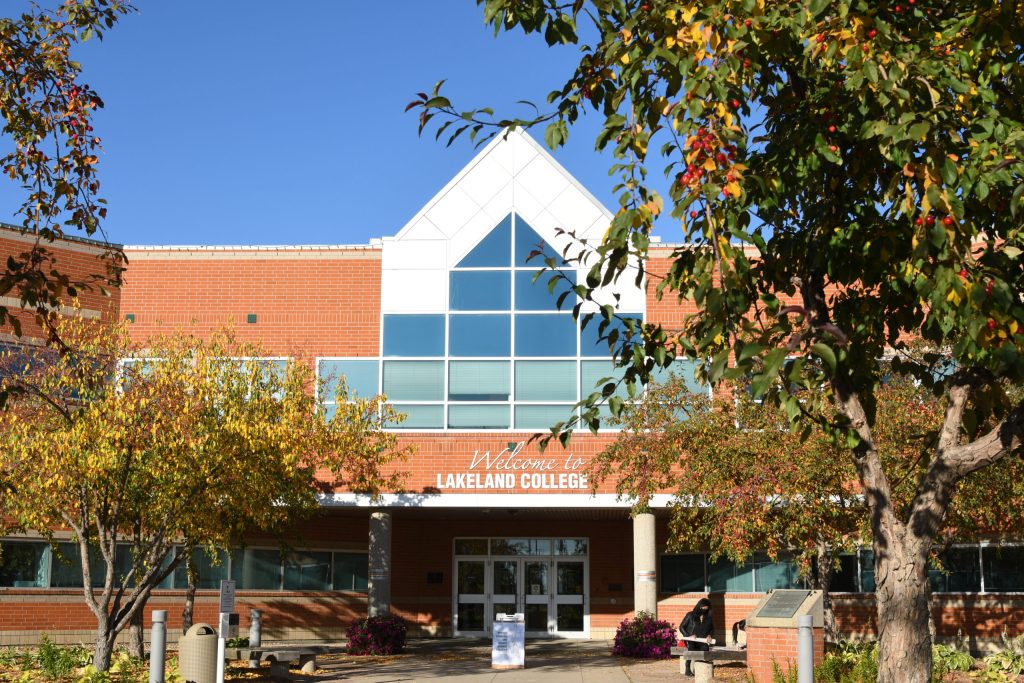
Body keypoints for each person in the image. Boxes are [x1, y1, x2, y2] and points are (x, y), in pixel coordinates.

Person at [679, 598, 714, 676]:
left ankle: (700, 668)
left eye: (706, 609)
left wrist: (709, 635)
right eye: (703, 608)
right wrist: (688, 635)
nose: (704, 610)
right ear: (699, 606)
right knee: (691, 647)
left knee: (705, 648)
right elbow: (681, 627)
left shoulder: (708, 618)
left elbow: (712, 629)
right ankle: (687, 668)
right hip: (690, 639)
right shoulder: (690, 615)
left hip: (702, 640)